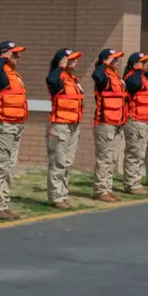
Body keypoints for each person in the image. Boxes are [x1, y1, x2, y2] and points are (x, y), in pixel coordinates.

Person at [0, 41, 28, 220]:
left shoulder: (14, 75)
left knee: (8, 167)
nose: (18, 57)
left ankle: (3, 203)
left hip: (15, 125)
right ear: (5, 55)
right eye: (14, 54)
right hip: (1, 125)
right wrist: (2, 59)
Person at [46, 48, 84, 208]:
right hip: (60, 125)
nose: (76, 61)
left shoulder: (72, 78)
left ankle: (63, 194)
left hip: (73, 125)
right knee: (58, 162)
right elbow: (50, 80)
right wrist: (60, 67)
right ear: (63, 61)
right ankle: (56, 197)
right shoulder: (57, 77)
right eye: (72, 59)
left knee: (67, 162)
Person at [91, 48, 127, 202]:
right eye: (114, 59)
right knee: (104, 158)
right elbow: (96, 75)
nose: (117, 61)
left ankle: (107, 188)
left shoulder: (115, 76)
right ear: (106, 60)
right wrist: (103, 64)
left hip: (117, 122)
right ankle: (100, 190)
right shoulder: (103, 75)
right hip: (105, 122)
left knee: (112, 158)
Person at [122, 52, 148, 194]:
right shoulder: (132, 77)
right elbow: (134, 85)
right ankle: (131, 184)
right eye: (143, 62)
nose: (146, 65)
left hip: (143, 121)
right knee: (134, 153)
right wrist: (138, 69)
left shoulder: (143, 77)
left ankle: (136, 181)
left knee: (140, 153)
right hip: (135, 121)